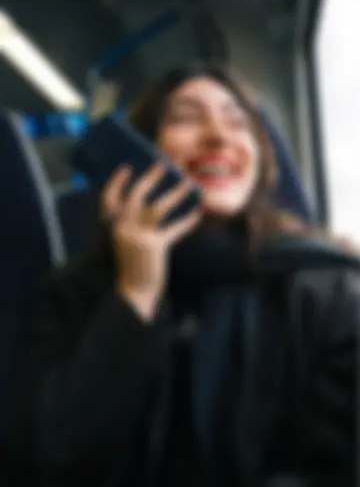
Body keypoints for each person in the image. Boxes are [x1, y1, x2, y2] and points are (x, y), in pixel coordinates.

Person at [31, 64, 360, 487]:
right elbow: (49, 461)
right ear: (141, 152)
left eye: (238, 123)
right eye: (185, 118)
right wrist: (136, 294)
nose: (218, 136)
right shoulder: (75, 291)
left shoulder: (329, 289)